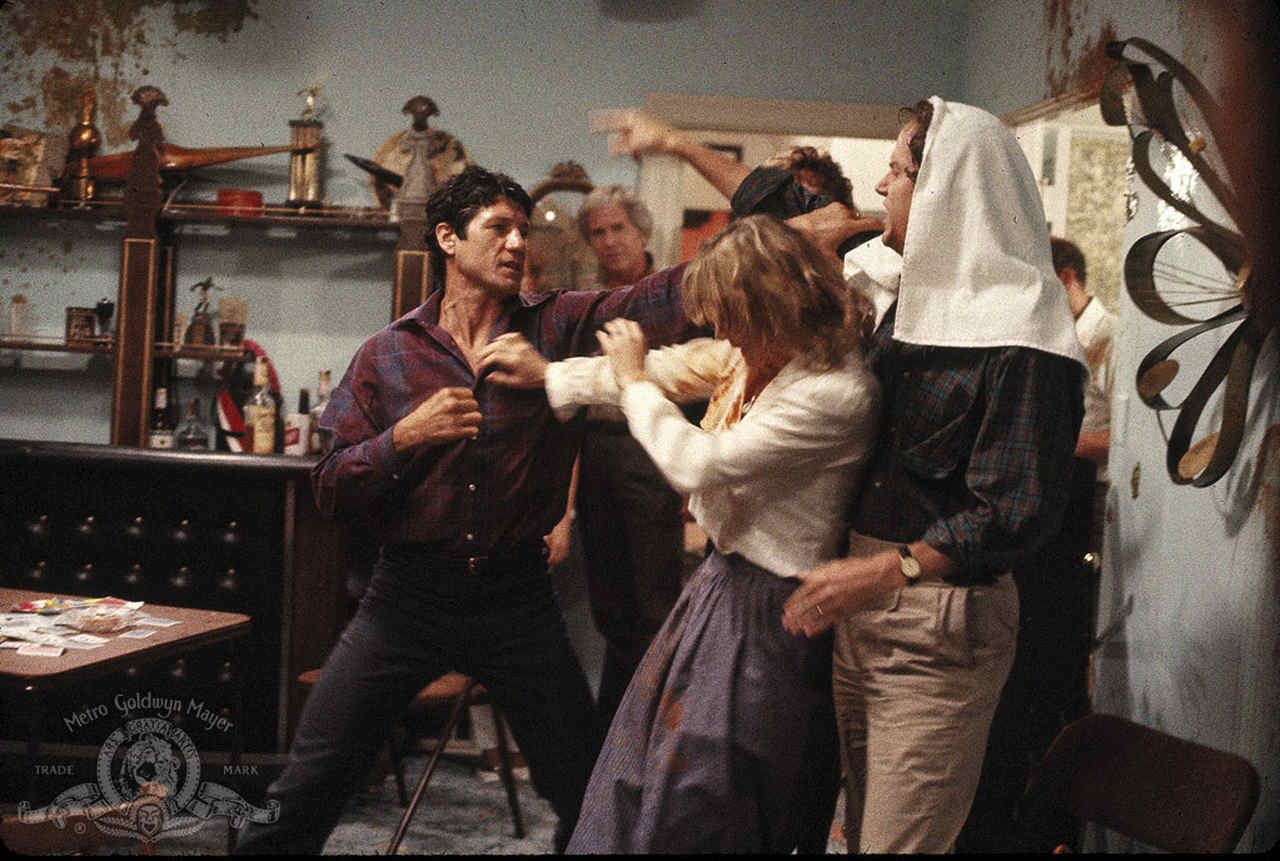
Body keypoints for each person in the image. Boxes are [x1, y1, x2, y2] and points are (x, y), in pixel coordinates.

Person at [233, 165, 704, 855]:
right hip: (406, 598)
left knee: (587, 790)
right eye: (499, 228)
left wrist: (775, 243)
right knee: (307, 787)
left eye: (522, 230)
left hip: (518, 599)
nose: (517, 243)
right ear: (448, 239)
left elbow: (657, 299)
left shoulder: (558, 324)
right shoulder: (388, 354)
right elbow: (329, 485)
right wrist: (404, 438)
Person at [486, 214, 880, 853]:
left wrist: (632, 381)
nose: (723, 334)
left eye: (732, 318)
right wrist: (552, 375)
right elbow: (669, 369)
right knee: (649, 778)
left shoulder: (834, 391)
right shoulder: (764, 354)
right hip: (723, 590)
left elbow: (694, 462)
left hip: (775, 611)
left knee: (711, 793)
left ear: (771, 309)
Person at [782, 97, 1088, 854]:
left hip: (937, 623)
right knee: (861, 834)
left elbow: (1015, 510)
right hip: (863, 606)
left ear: (948, 189)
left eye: (898, 171)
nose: (880, 186)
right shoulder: (903, 304)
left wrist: (887, 569)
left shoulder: (1025, 338)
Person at [570, 185, 689, 730]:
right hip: (596, 452)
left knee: (653, 605)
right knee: (610, 606)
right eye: (598, 232)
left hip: (651, 451)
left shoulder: (673, 297)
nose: (609, 240)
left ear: (642, 232)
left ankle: (650, 734)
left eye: (618, 228)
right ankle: (613, 731)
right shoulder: (583, 306)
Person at [1052, 235, 1117, 474]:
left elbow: (1132, 435)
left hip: (1094, 485)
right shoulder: (1049, 337)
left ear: (1065, 277)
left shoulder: (1114, 338)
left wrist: (1050, 444)